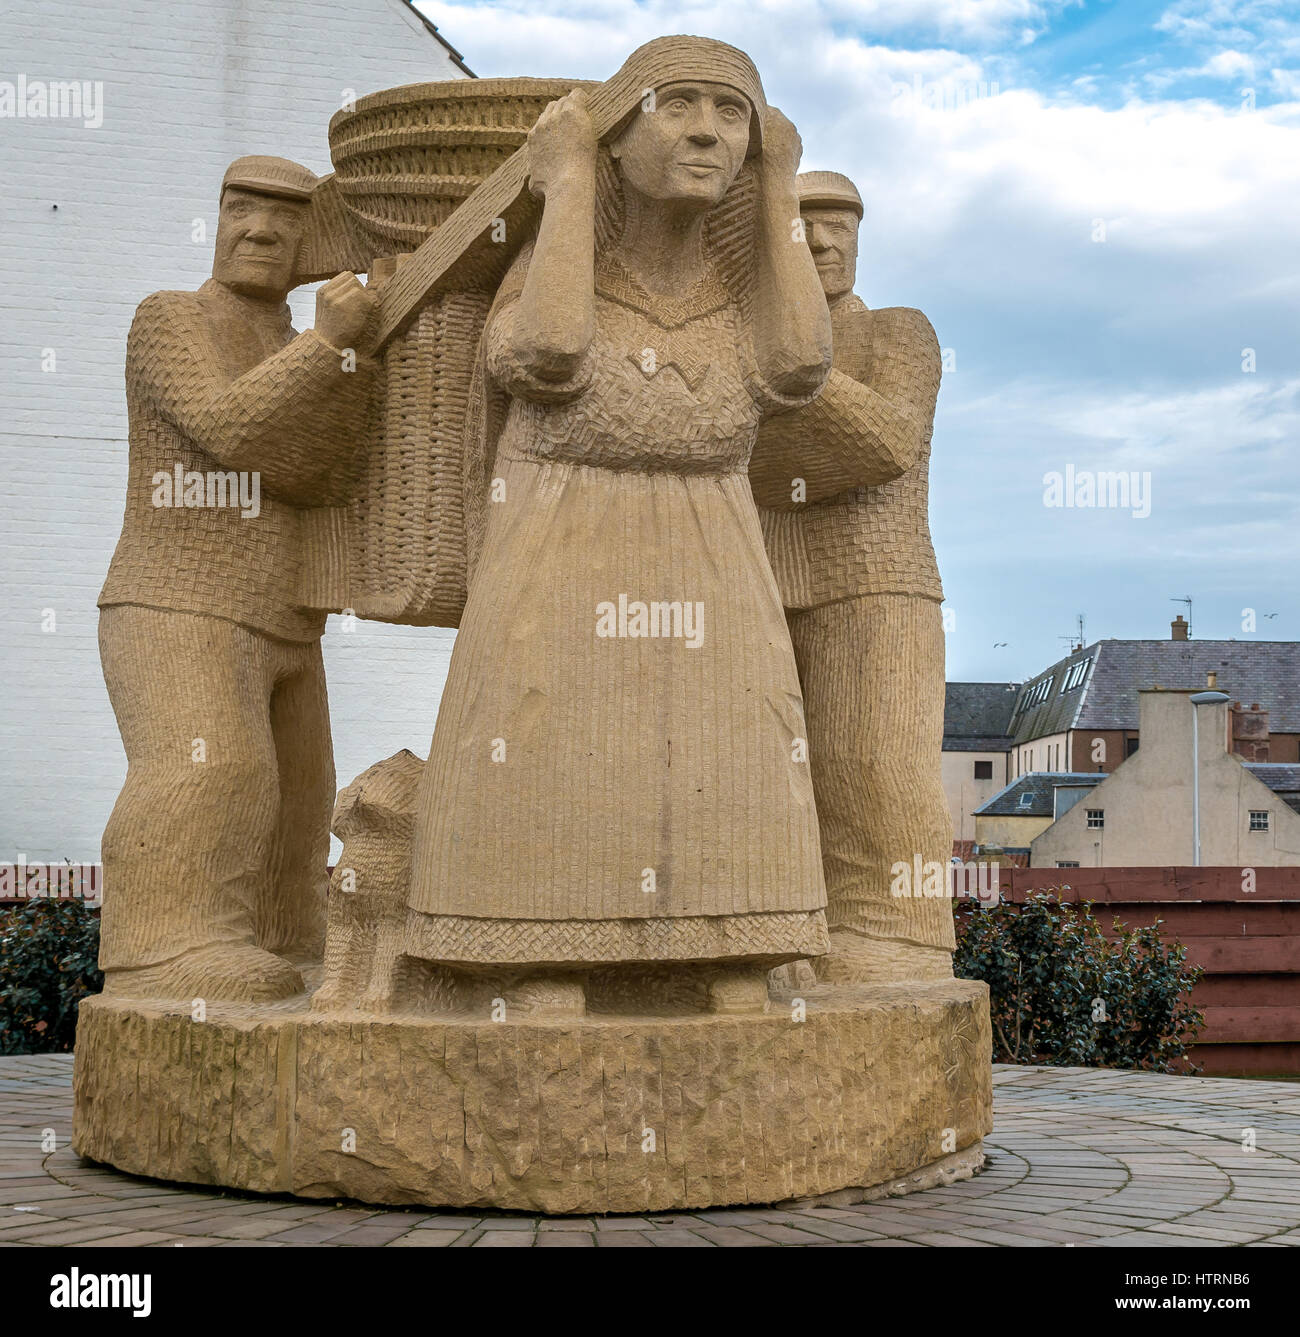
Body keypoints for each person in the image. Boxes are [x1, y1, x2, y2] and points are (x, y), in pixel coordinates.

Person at [405, 38, 913, 1016]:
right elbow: (550, 351)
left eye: (732, 115)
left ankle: (732, 940)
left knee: (723, 747)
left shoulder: (741, 297)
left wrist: (777, 189)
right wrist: (561, 187)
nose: (705, 132)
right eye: (675, 104)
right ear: (614, 132)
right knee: (552, 737)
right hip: (561, 549)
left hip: (712, 557)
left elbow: (800, 366)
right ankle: (536, 951)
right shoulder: (550, 274)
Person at [97, 155, 377, 1000]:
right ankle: (165, 946)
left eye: (286, 219)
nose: (258, 229)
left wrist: (352, 355)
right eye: (241, 208)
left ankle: (287, 939)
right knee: (214, 769)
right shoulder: (170, 321)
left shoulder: (303, 347)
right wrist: (332, 344)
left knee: (299, 795)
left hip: (287, 614)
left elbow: (329, 470)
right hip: (175, 599)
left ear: (312, 244)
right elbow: (232, 429)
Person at [754, 171, 953, 984]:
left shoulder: (899, 332)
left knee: (874, 765)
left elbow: (886, 439)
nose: (826, 241)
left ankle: (900, 938)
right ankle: (779, 932)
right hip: (762, 576)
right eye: (802, 226)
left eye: (840, 225)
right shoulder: (747, 340)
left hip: (878, 577)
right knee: (765, 768)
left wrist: (783, 361)